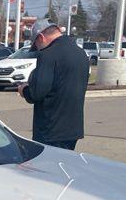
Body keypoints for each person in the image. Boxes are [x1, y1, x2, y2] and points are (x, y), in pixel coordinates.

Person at [18, 18, 88, 150]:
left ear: (41, 37)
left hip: (50, 128)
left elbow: (37, 93)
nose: (38, 49)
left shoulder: (48, 55)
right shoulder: (80, 53)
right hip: (73, 127)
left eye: (36, 45)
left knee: (48, 167)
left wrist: (24, 89)